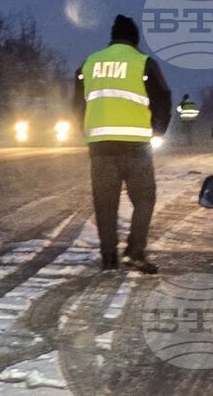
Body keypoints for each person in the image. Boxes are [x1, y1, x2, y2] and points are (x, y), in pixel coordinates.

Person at [73, 15, 171, 273]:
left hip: (100, 147)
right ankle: (135, 253)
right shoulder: (143, 63)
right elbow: (163, 97)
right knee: (144, 199)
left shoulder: (90, 63)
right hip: (136, 146)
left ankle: (108, 258)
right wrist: (158, 130)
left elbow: (77, 103)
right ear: (134, 39)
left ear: (112, 37)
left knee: (105, 203)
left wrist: (84, 131)